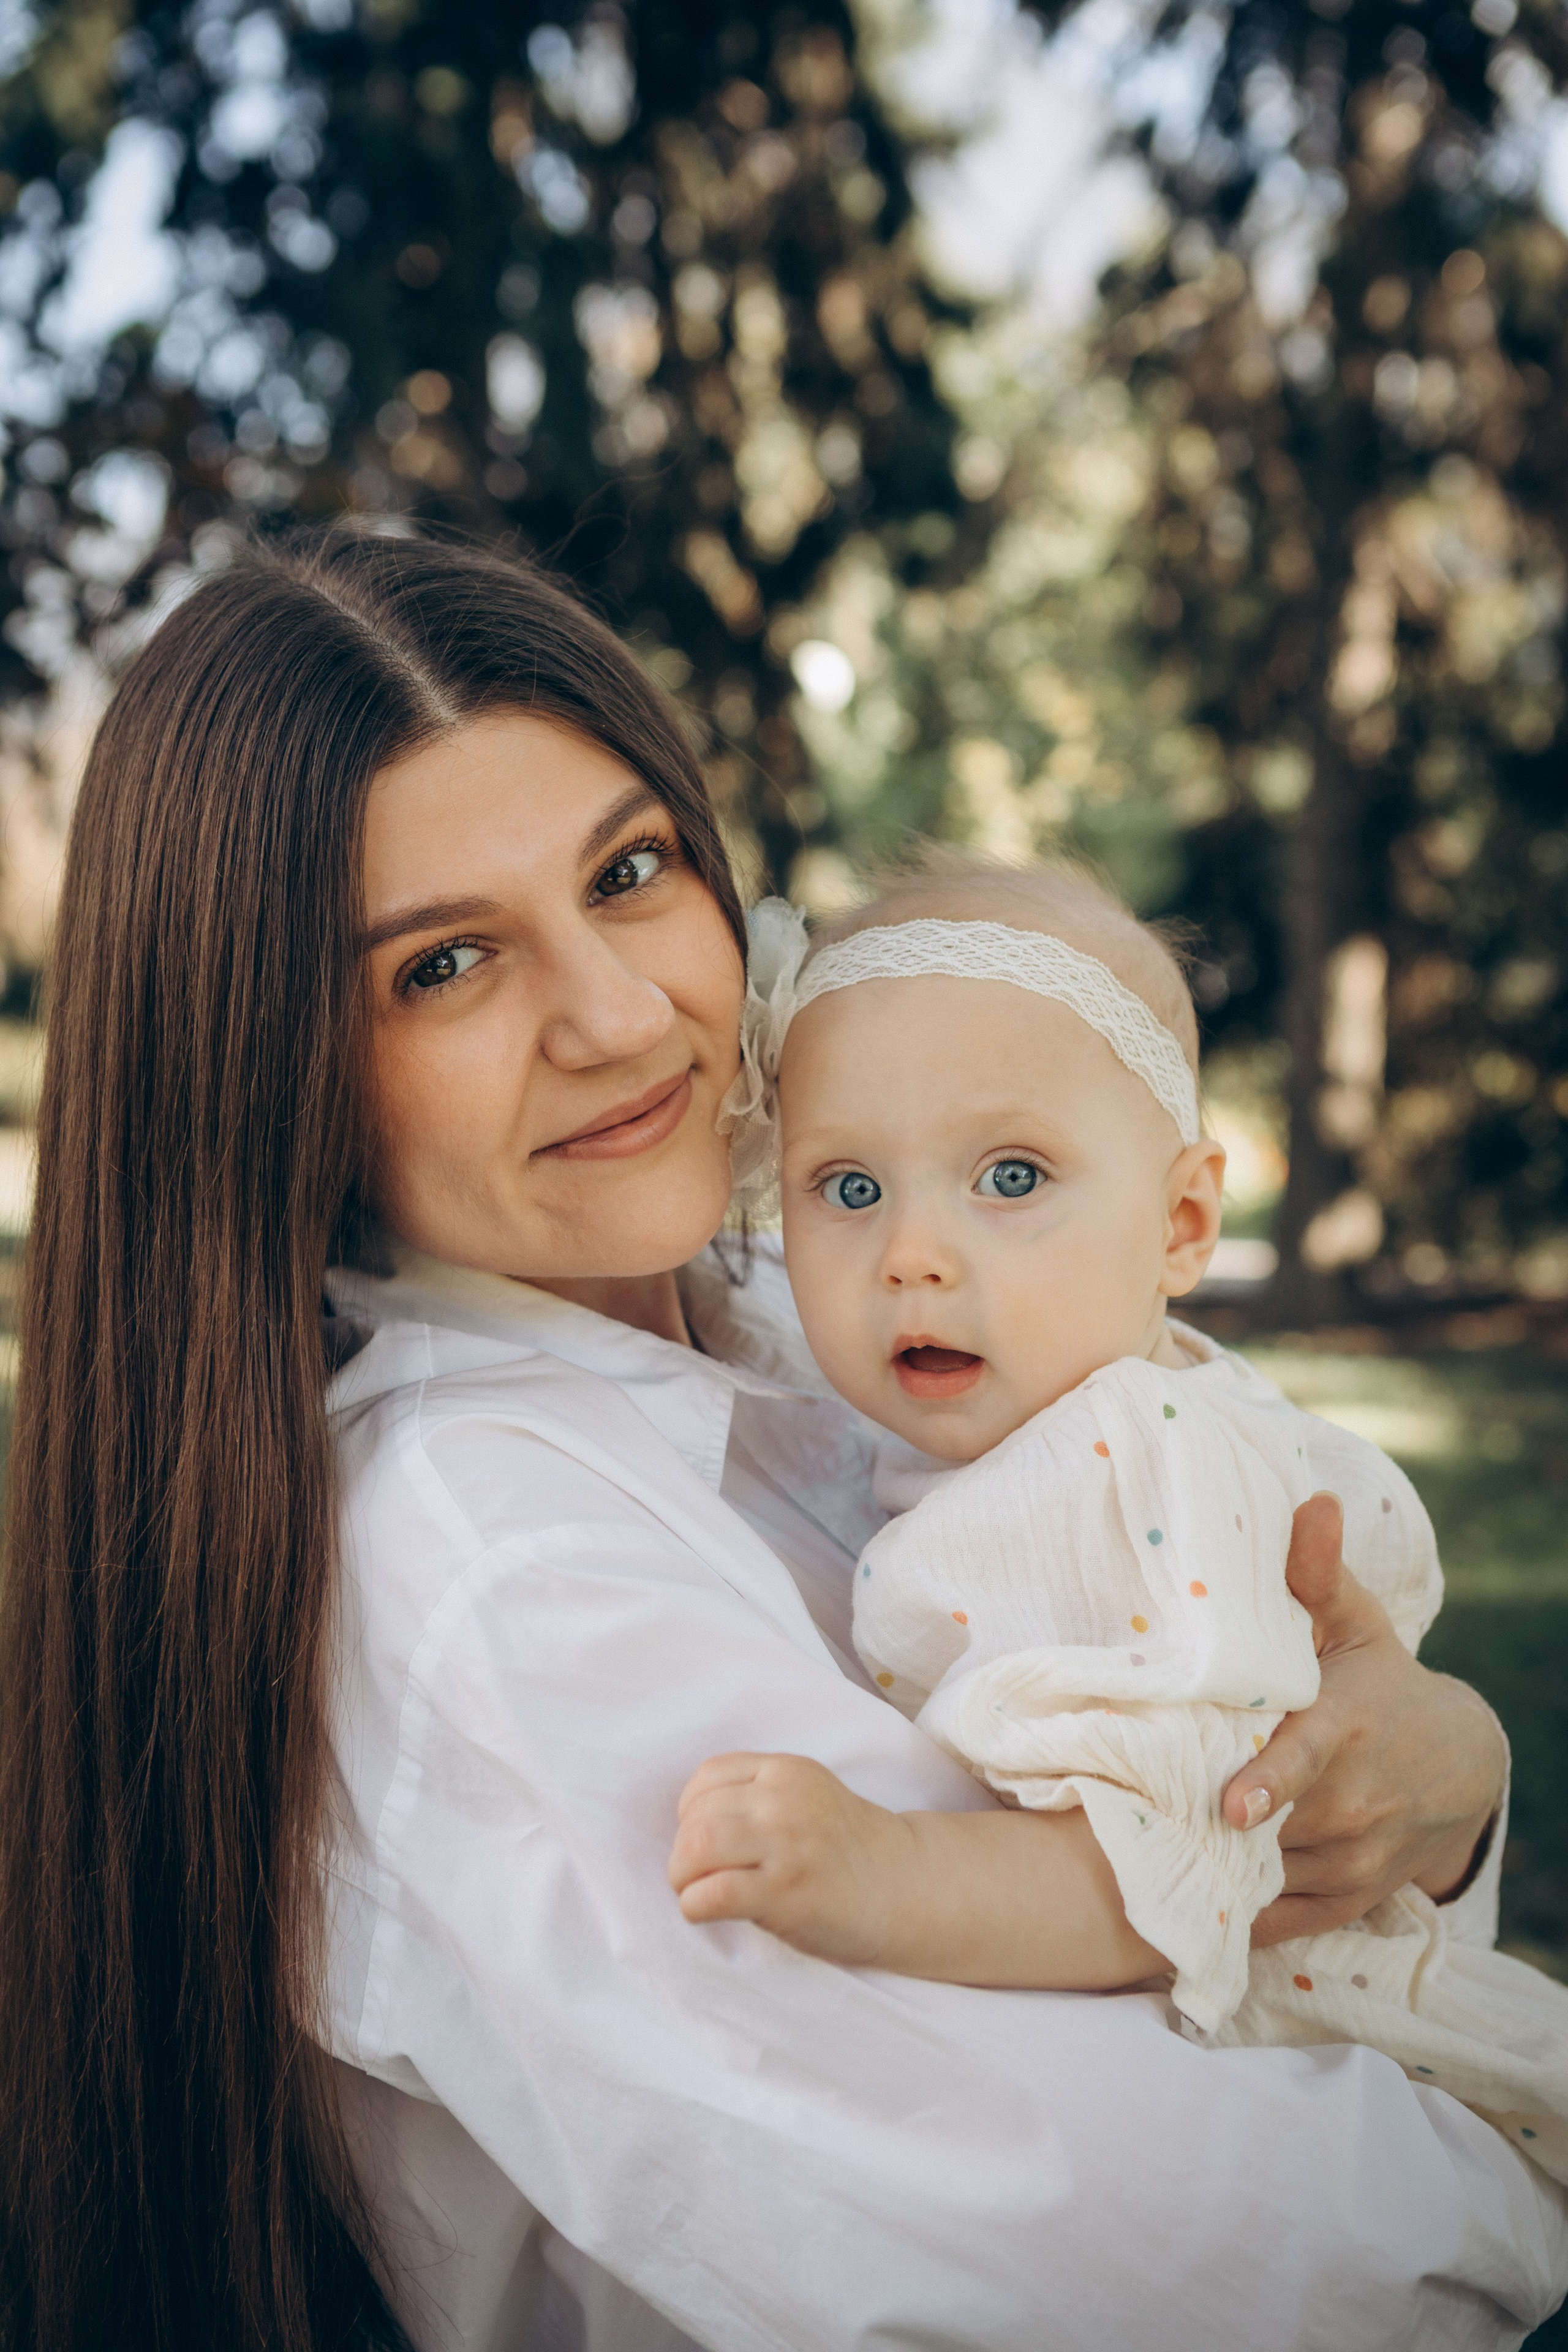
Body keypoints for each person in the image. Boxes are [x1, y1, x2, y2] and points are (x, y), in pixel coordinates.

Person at [0, 528, 1559, 2352]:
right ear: (271, 1069)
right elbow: (1116, 2242)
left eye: (630, 870)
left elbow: (1257, 1765)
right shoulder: (481, 1556)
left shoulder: (816, 1311)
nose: (616, 1015)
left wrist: (1433, 1801)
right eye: (443, 969)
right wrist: (1513, 2177)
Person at [668, 860, 1568, 2184]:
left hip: (1289, 2097)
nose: (911, 1252)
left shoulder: (1125, 1474)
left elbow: (1175, 1863)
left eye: (1010, 1175)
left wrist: (881, 1872)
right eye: (847, 1189)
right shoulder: (1049, 1414)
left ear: (1182, 1222)